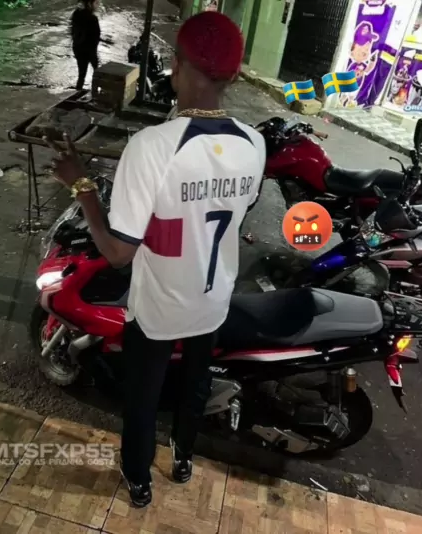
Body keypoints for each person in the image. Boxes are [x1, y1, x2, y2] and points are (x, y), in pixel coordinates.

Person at [45, 11, 266, 508]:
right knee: (195, 385)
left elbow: (117, 252)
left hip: (159, 307)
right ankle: (184, 458)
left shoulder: (151, 147)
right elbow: (236, 207)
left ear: (177, 66)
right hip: (212, 299)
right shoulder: (254, 143)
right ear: (234, 74)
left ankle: (139, 479)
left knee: (143, 395)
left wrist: (82, 187)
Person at [70, 0, 101, 90]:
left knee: (82, 73)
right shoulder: (93, 19)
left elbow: (73, 32)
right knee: (97, 71)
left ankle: (78, 89)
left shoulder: (76, 14)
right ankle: (95, 91)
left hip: (78, 48)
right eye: (96, 3)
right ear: (90, 4)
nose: (98, 5)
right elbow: (96, 37)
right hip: (89, 50)